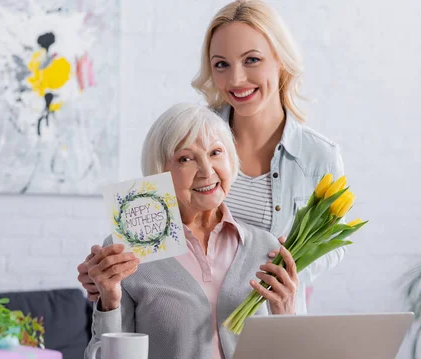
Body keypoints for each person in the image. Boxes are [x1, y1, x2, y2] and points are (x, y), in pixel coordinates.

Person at [77, 0, 345, 315]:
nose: (236, 80)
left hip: (270, 324)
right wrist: (110, 275)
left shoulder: (319, 156)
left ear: (281, 60)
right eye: (221, 64)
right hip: (187, 329)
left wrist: (290, 265)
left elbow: (333, 245)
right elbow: (148, 243)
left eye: (252, 60)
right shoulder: (189, 136)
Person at [84, 103, 298, 359]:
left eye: (216, 153)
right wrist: (110, 300)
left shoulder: (264, 246)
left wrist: (285, 313)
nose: (207, 171)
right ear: (160, 171)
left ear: (231, 160)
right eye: (186, 158)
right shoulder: (129, 250)